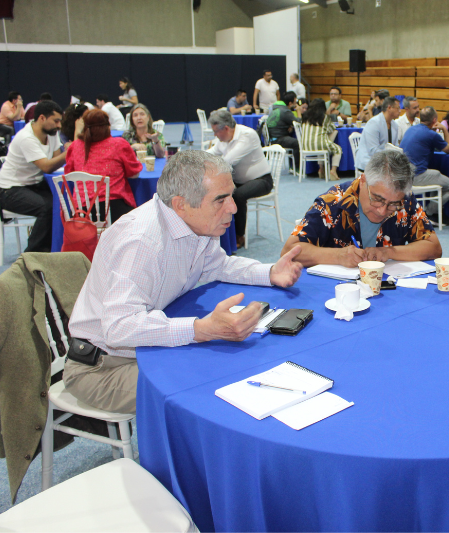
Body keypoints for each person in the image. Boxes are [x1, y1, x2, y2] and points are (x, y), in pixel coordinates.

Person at [62, 150, 303, 414]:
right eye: (221, 200)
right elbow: (118, 327)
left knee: (230, 366)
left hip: (144, 351)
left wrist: (269, 273)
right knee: (214, 389)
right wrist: (201, 329)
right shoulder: (141, 242)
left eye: (231, 195)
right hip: (102, 367)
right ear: (181, 204)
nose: (233, 208)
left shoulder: (196, 223)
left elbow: (218, 265)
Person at [281, 150, 442, 267]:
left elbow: (433, 247)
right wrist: (338, 256)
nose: (382, 211)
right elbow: (289, 251)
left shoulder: (404, 200)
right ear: (363, 180)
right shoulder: (333, 201)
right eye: (377, 199)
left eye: (393, 204)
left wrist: (388, 252)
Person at [0, 100, 67, 253]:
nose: (59, 125)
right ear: (41, 118)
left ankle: (54, 248)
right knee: (47, 208)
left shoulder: (50, 133)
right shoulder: (26, 138)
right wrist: (70, 152)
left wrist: (64, 154)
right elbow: (47, 166)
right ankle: (32, 254)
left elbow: (56, 160)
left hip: (32, 184)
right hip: (10, 190)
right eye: (56, 121)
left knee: (62, 202)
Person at [206, 110, 273, 248]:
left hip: (262, 180)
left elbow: (227, 161)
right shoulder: (224, 139)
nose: (215, 135)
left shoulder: (247, 135)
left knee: (237, 196)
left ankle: (239, 235)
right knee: (219, 193)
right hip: (240, 181)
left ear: (225, 128)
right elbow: (211, 153)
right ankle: (222, 232)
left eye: (216, 132)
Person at [65, 108, 143, 222]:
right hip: (115, 210)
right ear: (108, 126)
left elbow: (69, 174)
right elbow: (134, 172)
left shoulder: (75, 146)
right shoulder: (119, 144)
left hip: (83, 212)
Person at [400, 106, 449, 218]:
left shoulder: (411, 129)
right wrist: (444, 129)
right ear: (434, 120)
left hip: (402, 174)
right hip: (415, 176)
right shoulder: (432, 135)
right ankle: (428, 212)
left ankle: (431, 211)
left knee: (436, 174)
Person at [354, 96, 401, 172]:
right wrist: (389, 159)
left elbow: (395, 146)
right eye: (397, 108)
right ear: (389, 108)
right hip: (368, 160)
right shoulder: (374, 123)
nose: (400, 111)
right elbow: (373, 150)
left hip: (385, 161)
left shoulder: (394, 125)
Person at [300, 98, 342, 181]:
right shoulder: (324, 117)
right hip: (320, 144)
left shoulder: (304, 116)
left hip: (305, 145)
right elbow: (331, 128)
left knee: (322, 141)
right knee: (337, 149)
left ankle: (321, 169)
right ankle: (333, 170)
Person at [266, 91, 300, 167]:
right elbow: (298, 122)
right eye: (295, 102)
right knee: (297, 143)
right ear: (290, 103)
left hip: (271, 139)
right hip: (279, 139)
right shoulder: (285, 111)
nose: (296, 105)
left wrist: (290, 125)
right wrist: (299, 111)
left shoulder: (275, 109)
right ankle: (296, 167)